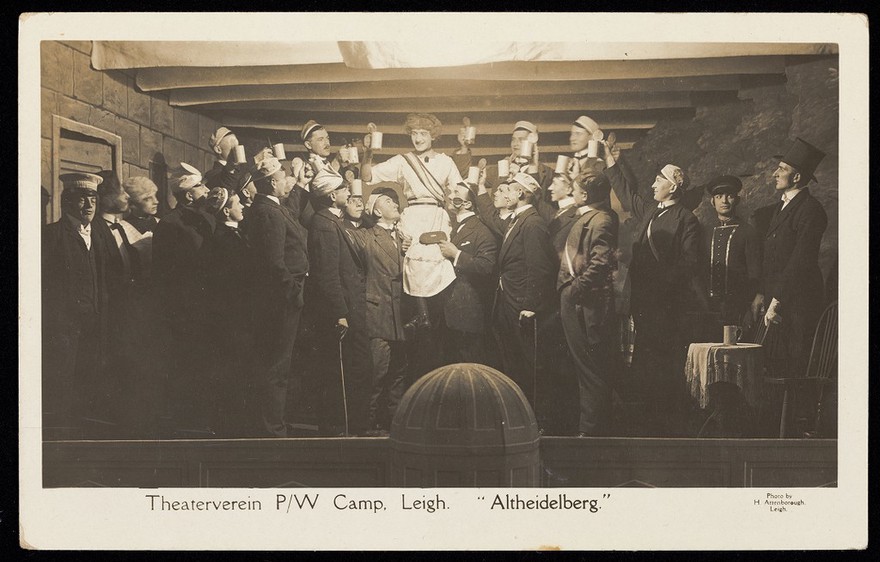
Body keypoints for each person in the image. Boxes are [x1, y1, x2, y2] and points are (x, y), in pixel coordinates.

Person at [602, 138, 702, 436]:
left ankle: (665, 422)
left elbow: (689, 263)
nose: (653, 184)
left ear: (673, 186)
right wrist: (610, 159)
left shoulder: (687, 219)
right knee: (645, 358)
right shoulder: (650, 210)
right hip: (643, 301)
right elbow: (625, 191)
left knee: (662, 360)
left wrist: (661, 284)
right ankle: (647, 419)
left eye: (660, 179)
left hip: (666, 305)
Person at [360, 113, 463, 330]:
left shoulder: (446, 162)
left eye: (423, 133)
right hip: (413, 216)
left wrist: (455, 201)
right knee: (413, 264)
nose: (418, 138)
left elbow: (459, 191)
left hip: (436, 216)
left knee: (440, 268)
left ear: (433, 136)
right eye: (414, 133)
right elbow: (367, 176)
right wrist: (368, 152)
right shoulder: (402, 161)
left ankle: (437, 320)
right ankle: (421, 315)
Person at [753, 138, 828, 383]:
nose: (775, 173)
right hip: (779, 300)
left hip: (798, 303)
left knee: (795, 367)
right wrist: (764, 294)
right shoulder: (782, 207)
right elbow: (772, 256)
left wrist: (777, 300)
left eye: (782, 169)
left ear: (796, 177)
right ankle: (777, 420)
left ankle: (794, 420)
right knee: (775, 365)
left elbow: (800, 261)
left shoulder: (810, 210)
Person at [151, 162, 216, 435]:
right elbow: (165, 275)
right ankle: (186, 425)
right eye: (201, 186)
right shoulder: (169, 224)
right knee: (187, 365)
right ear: (189, 194)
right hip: (185, 310)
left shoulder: (208, 218)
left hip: (209, 307)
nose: (207, 190)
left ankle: (205, 419)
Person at [246, 156, 308, 437]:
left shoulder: (272, 208)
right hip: (281, 300)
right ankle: (272, 430)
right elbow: (274, 262)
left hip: (284, 297)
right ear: (273, 182)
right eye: (284, 178)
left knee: (279, 365)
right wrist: (292, 292)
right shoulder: (268, 212)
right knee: (276, 366)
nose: (288, 182)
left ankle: (274, 424)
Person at [42, 173, 108, 434]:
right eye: (82, 199)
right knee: (62, 383)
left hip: (91, 323)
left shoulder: (98, 236)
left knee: (87, 380)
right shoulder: (51, 235)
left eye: (92, 198)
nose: (89, 205)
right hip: (63, 327)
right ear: (67, 201)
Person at [307, 169, 371, 436]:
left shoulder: (335, 221)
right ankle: (342, 429)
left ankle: (355, 426)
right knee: (343, 370)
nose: (349, 192)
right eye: (344, 189)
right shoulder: (323, 223)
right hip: (343, 308)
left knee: (357, 365)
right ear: (333, 196)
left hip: (352, 304)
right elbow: (327, 273)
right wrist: (339, 313)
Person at [557, 172, 620, 436]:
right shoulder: (589, 216)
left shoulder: (602, 220)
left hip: (584, 305)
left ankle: (591, 431)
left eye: (576, 189)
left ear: (585, 195)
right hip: (575, 300)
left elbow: (600, 263)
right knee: (583, 366)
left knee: (589, 368)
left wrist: (574, 291)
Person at [347, 188, 412, 436]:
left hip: (401, 315)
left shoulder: (405, 237)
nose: (395, 203)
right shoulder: (364, 237)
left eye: (395, 200)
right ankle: (364, 426)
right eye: (388, 201)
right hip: (377, 313)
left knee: (398, 373)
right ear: (376, 210)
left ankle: (393, 423)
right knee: (376, 372)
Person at [493, 173, 557, 412]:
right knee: (514, 360)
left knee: (528, 363)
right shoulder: (518, 220)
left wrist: (530, 305)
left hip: (521, 303)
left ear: (520, 193)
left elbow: (540, 267)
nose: (504, 193)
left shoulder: (532, 223)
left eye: (508, 189)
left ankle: (534, 415)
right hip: (510, 300)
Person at [437, 182, 498, 364]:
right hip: (451, 312)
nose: (450, 194)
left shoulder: (481, 230)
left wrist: (456, 254)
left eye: (456, 192)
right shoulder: (453, 228)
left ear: (467, 203)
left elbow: (486, 266)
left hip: (468, 314)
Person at [699, 175, 762, 336]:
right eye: (719, 197)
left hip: (738, 307)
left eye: (730, 196)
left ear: (737, 200)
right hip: (708, 307)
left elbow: (755, 272)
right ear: (712, 202)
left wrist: (751, 303)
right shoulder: (704, 233)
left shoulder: (748, 232)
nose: (724, 201)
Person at [204, 126, 248, 194]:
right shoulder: (212, 174)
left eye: (237, 143)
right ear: (218, 149)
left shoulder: (239, 169)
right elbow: (228, 182)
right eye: (233, 143)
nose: (236, 146)